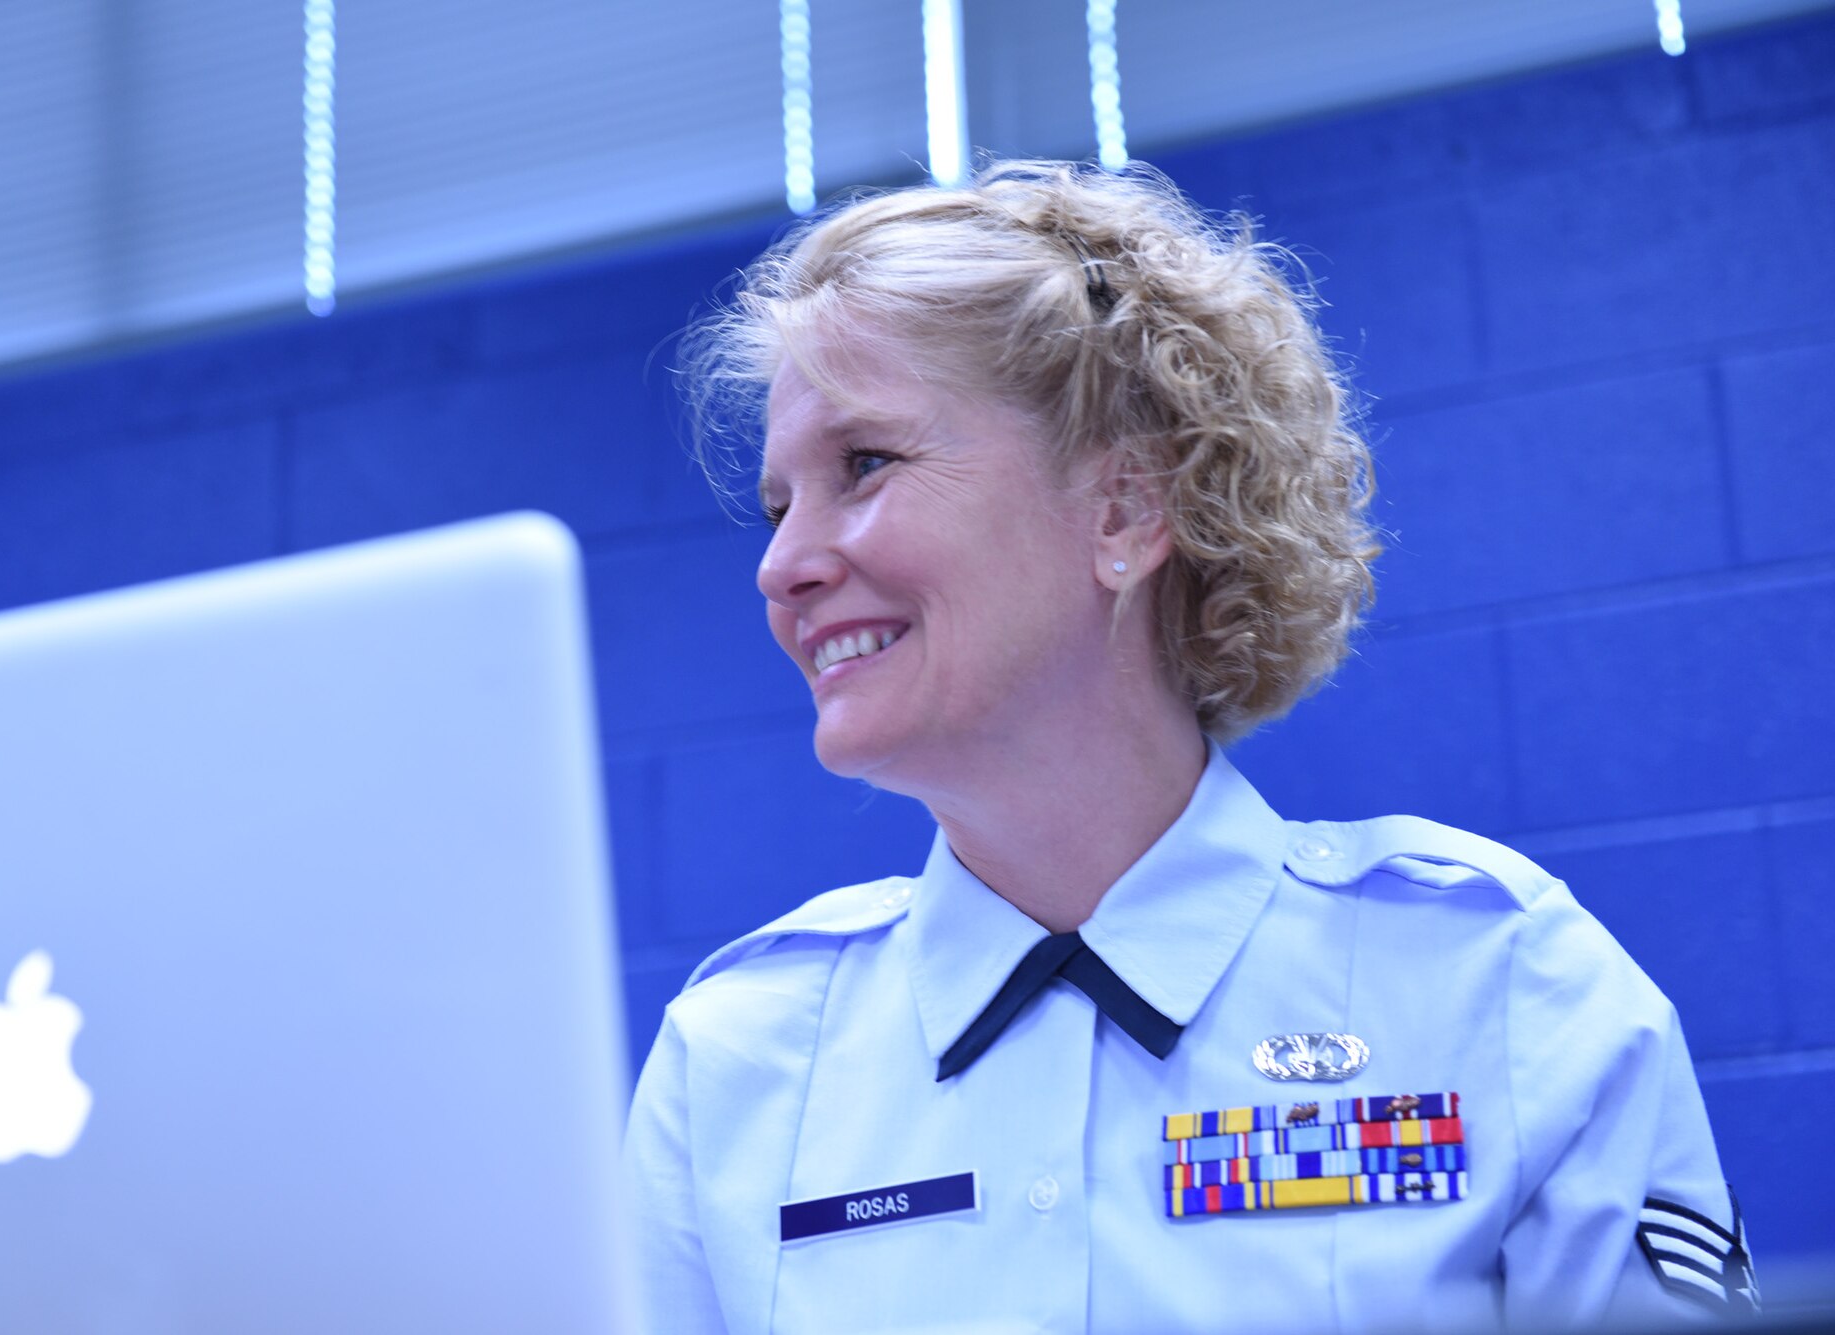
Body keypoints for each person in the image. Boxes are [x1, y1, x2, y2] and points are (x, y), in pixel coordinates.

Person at [624, 160, 1753, 1333]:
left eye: (864, 465)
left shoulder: (1498, 981)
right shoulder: (739, 1059)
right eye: (774, 506)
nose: (780, 566)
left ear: (1124, 510)